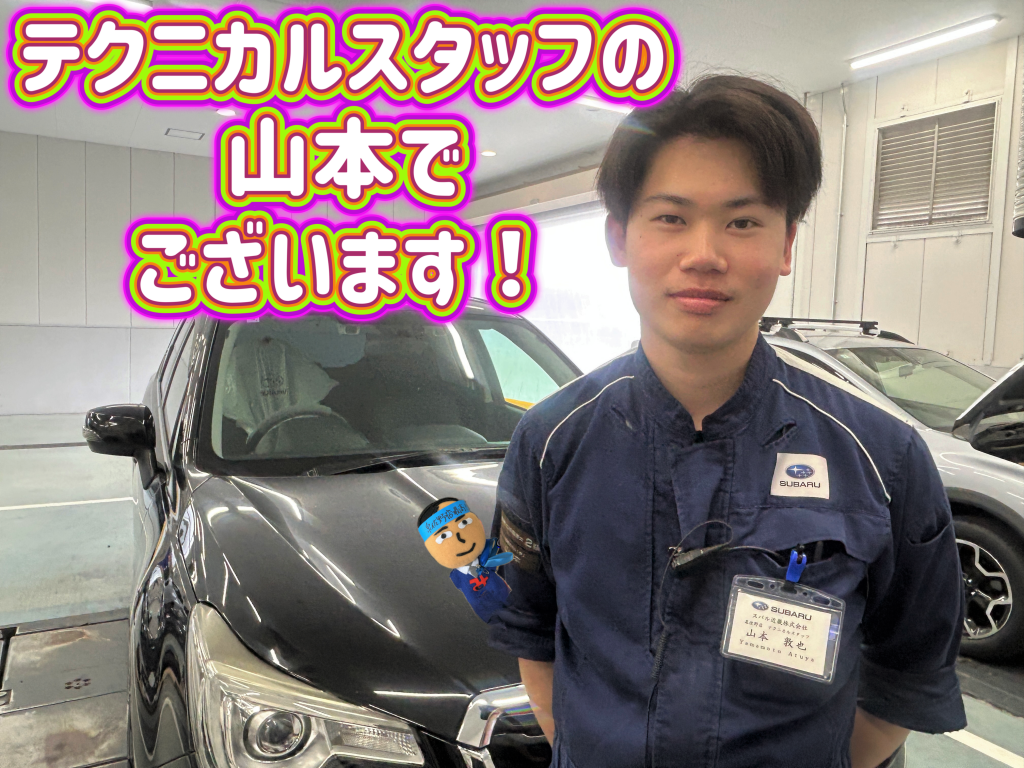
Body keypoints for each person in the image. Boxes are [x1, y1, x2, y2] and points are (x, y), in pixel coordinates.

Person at [487, 74, 966, 768]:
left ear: (787, 245)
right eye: (671, 218)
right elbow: (533, 630)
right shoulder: (551, 441)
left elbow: (910, 669)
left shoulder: (882, 457)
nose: (704, 255)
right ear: (619, 238)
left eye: (742, 222)